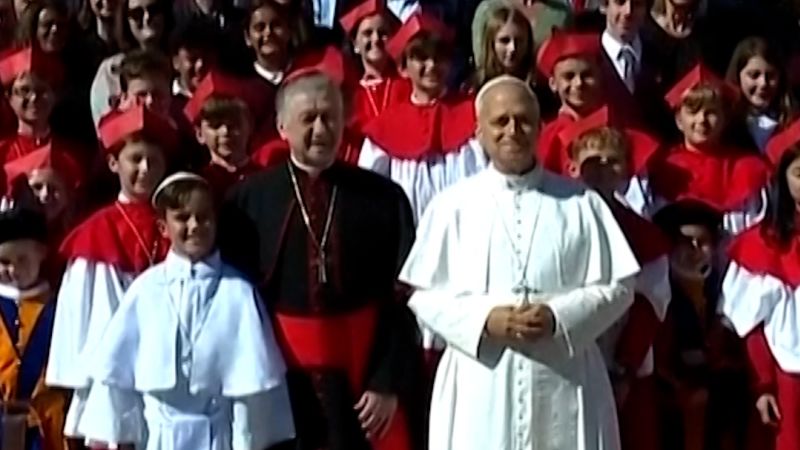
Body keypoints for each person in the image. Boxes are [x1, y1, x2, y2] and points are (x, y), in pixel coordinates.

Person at [399, 74, 640, 450]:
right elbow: (424, 296)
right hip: (482, 381)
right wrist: (486, 319)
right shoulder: (452, 205)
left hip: (564, 373)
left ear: (540, 127)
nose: (513, 130)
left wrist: (559, 316)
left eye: (524, 119)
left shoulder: (580, 202)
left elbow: (620, 287)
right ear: (479, 132)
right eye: (500, 121)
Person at [219, 72, 422, 450]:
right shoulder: (247, 203)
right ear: (282, 127)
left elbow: (404, 301)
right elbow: (233, 307)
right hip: (278, 382)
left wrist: (387, 382)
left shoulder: (382, 199)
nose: (321, 129)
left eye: (330, 116)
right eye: (308, 118)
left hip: (363, 382)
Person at [77, 172, 295, 450]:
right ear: (163, 226)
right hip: (157, 438)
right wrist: (114, 437)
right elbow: (116, 382)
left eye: (203, 217)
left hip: (217, 438)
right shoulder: (145, 290)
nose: (194, 226)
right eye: (182, 217)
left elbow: (252, 393)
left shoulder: (238, 292)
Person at [44, 105, 175, 444]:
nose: (145, 169)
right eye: (136, 159)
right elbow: (80, 314)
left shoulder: (177, 224)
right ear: (114, 163)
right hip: (110, 379)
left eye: (154, 160)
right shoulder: (95, 231)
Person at [563, 124, 670, 450]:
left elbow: (650, 305)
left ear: (628, 171)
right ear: (573, 167)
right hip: (568, 359)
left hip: (624, 362)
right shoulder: (557, 223)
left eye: (614, 161)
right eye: (593, 159)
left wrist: (624, 368)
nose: (603, 168)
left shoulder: (644, 236)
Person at [719, 142, 800, 450]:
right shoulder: (761, 243)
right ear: (783, 179)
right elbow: (748, 322)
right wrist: (763, 384)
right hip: (789, 378)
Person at [654, 199, 751, 450]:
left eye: (703, 242)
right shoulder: (658, 291)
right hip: (670, 404)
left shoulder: (727, 290)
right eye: (685, 242)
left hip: (719, 403)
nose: (695, 249)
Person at [649, 63, 770, 236]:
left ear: (725, 118)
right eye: (693, 111)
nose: (702, 120)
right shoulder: (662, 166)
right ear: (679, 120)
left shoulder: (746, 167)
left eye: (711, 112)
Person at [0, 204, 66, 450]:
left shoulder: (61, 305)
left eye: (22, 259)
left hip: (45, 429)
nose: (14, 270)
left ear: (41, 253)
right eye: (4, 261)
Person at [89, 0, 174, 128]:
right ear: (125, 20)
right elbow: (107, 131)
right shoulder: (111, 72)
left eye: (154, 10)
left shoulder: (184, 61)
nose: (147, 17)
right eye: (136, 14)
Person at [535, 29, 603, 174]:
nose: (578, 83)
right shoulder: (550, 137)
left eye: (587, 75)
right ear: (553, 83)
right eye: (569, 76)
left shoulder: (612, 126)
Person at [184, 71, 262, 197]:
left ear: (250, 126)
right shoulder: (198, 184)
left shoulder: (265, 178)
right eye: (215, 125)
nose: (225, 132)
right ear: (199, 134)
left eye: (234, 124)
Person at [340, 0, 409, 137]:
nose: (376, 39)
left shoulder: (407, 87)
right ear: (355, 43)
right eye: (367, 33)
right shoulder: (348, 94)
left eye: (383, 33)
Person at [726, 37, 798, 153]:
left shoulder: (793, 122)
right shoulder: (725, 125)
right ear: (738, 77)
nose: (763, 83)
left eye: (770, 76)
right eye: (754, 75)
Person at [468, 0, 535, 90]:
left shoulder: (538, 90)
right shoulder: (474, 90)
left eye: (519, 41)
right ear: (491, 43)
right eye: (505, 40)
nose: (513, 48)